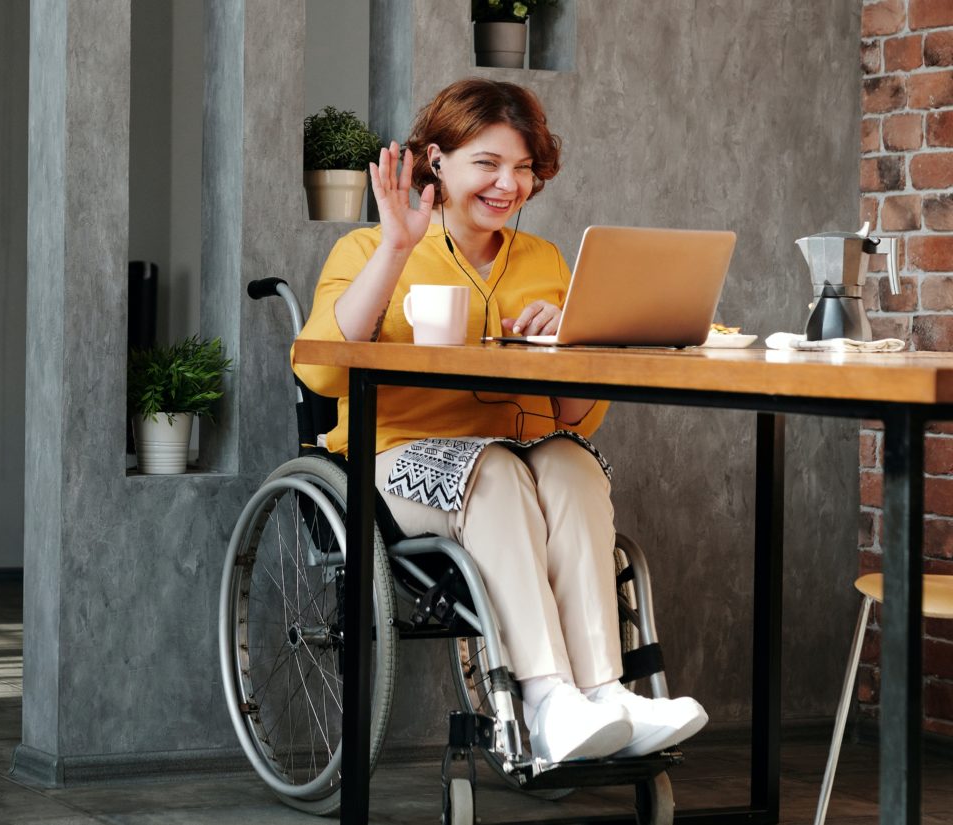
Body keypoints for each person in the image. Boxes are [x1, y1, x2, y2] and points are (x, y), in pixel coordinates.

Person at [293, 78, 707, 764]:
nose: (507, 183)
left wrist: (569, 343)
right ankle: (546, 698)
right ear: (438, 161)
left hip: (516, 461)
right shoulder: (368, 250)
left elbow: (575, 417)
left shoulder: (544, 262)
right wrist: (396, 249)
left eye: (522, 168)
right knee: (497, 470)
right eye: (487, 162)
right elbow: (322, 373)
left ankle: (604, 693)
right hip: (395, 463)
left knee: (571, 462)